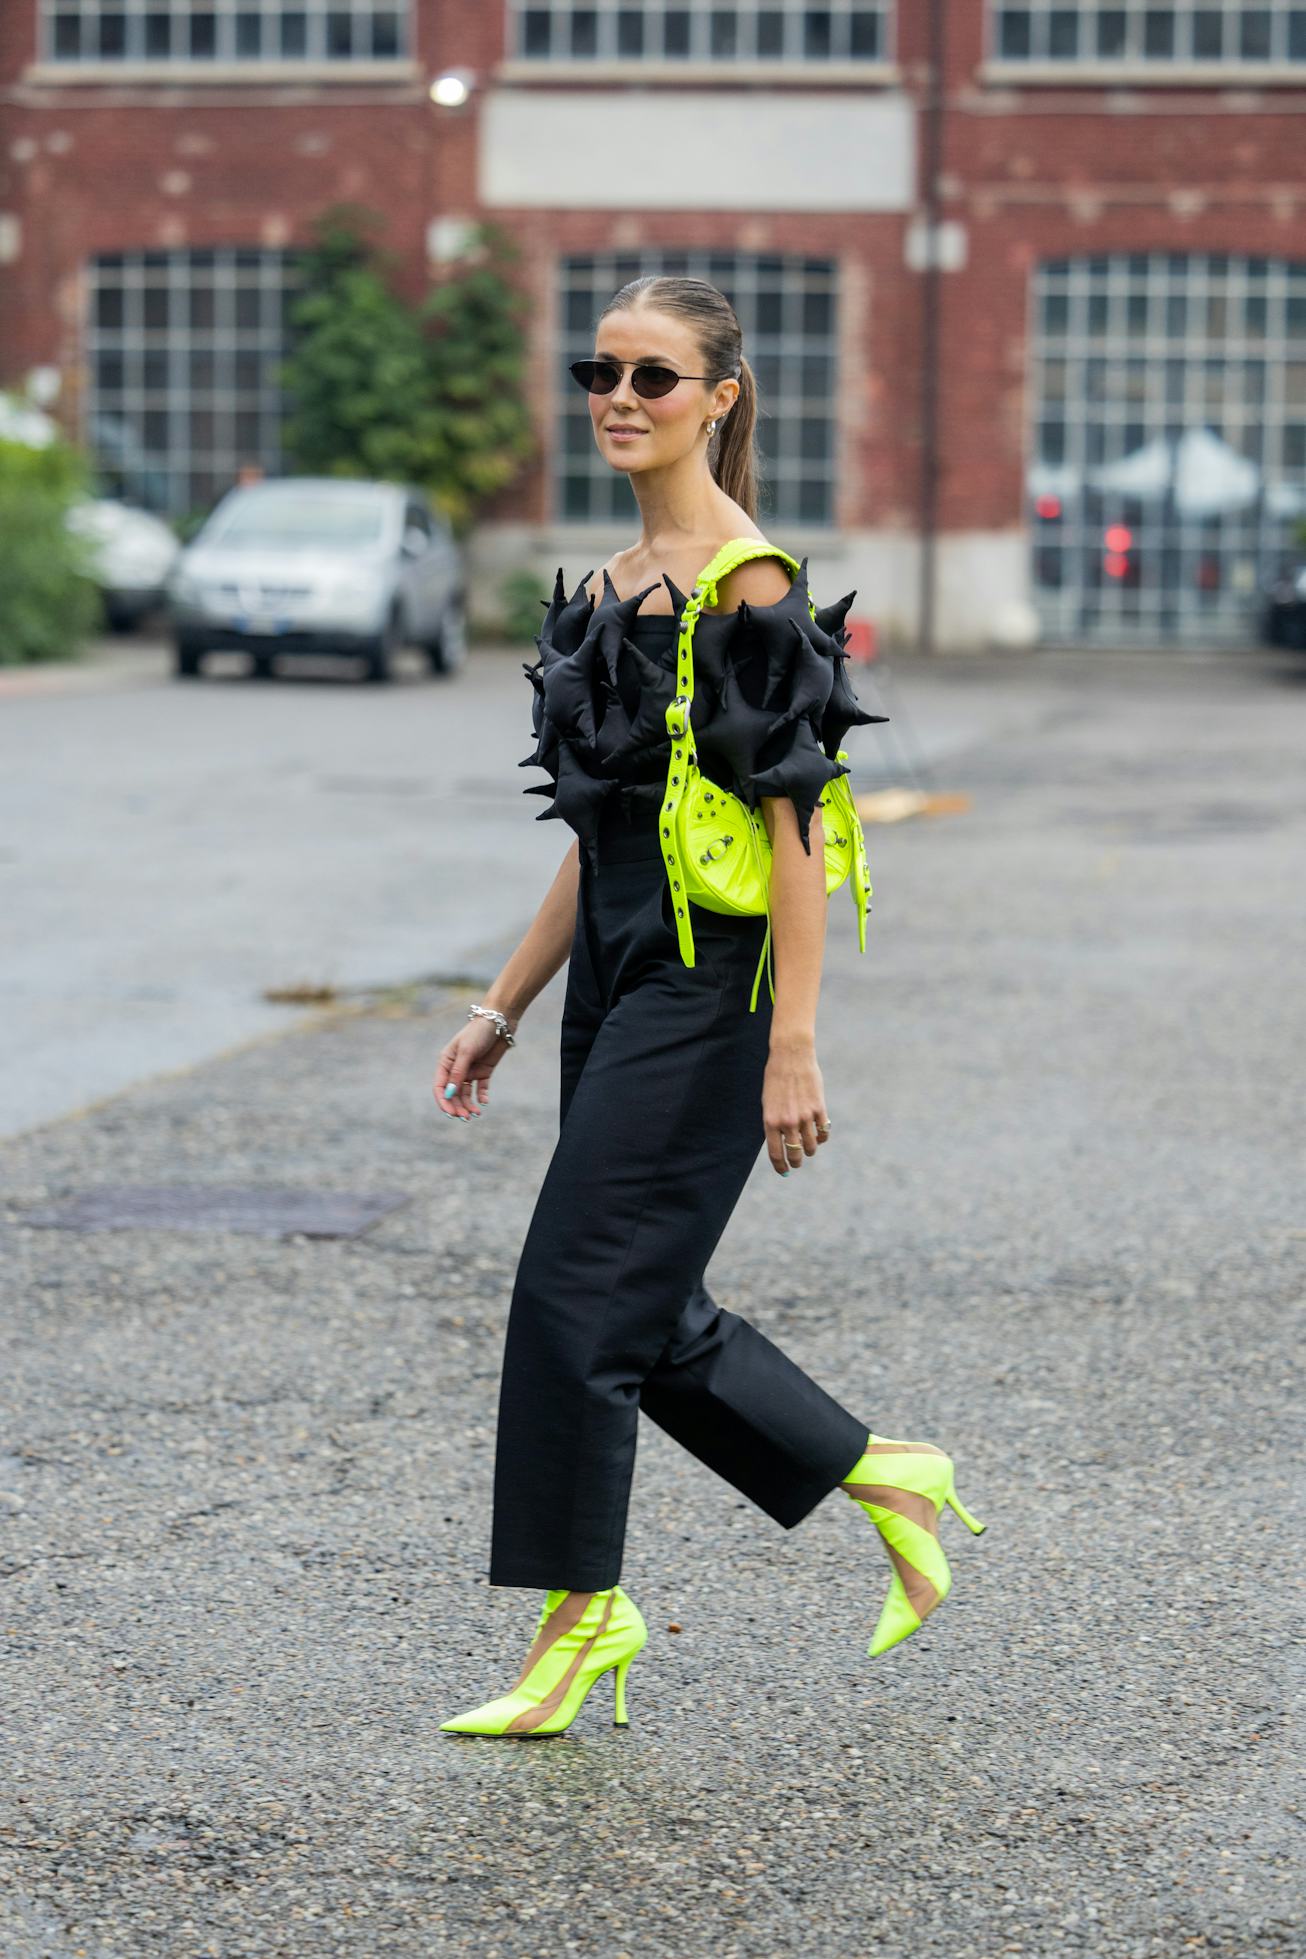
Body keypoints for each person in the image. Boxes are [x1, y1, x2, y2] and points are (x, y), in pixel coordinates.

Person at [433, 276, 985, 1739]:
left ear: (720, 397)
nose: (618, 397)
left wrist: (792, 1040)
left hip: (712, 982)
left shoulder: (749, 586)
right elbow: (594, 839)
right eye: (598, 371)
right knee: (640, 1303)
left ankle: (583, 1617)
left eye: (653, 377)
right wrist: (496, 1008)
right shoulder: (611, 582)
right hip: (613, 973)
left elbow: (794, 829)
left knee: (571, 1290)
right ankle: (885, 1474)